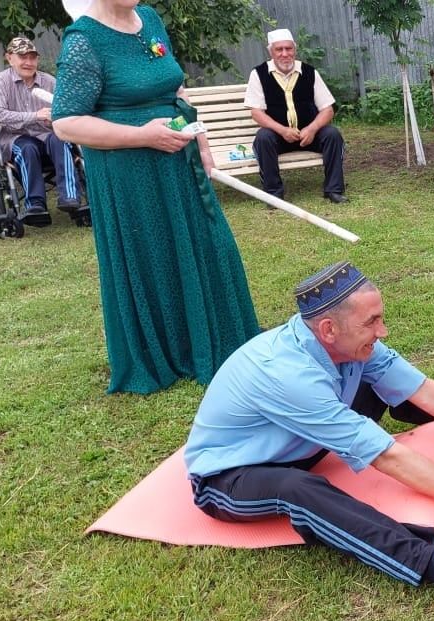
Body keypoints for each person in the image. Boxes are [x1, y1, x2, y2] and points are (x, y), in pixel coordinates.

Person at [185, 262, 434, 597]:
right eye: (371, 322)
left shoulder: (348, 346)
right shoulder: (287, 376)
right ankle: (433, 562)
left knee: (382, 384)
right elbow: (386, 456)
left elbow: (422, 390)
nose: (382, 331)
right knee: (296, 490)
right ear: (328, 329)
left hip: (296, 445)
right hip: (228, 477)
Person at [53, 0, 261, 394]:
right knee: (155, 254)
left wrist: (198, 138)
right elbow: (65, 123)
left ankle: (209, 336)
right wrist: (142, 136)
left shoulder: (148, 19)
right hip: (129, 177)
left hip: (178, 163)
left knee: (208, 243)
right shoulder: (84, 39)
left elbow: (174, 90)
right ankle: (168, 350)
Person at [0, 36, 86, 226]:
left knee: (61, 139)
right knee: (27, 148)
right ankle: (35, 204)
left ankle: (70, 198)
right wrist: (34, 116)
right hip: (15, 138)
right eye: (23, 57)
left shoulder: (49, 82)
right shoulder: (2, 81)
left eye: (32, 57)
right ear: (10, 58)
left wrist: (56, 116)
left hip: (48, 135)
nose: (28, 62)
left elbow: (70, 111)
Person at [246, 29, 348, 204]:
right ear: (271, 51)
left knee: (332, 134)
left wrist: (312, 128)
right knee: (263, 137)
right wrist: (282, 130)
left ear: (295, 49)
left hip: (309, 135)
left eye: (289, 49)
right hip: (278, 137)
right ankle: (273, 194)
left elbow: (328, 109)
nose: (285, 54)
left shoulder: (309, 72)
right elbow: (256, 112)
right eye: (279, 49)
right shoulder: (259, 74)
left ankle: (334, 190)